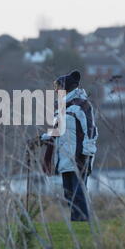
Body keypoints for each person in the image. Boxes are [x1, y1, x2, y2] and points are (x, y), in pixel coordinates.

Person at [41, 70, 98, 222]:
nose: (56, 91)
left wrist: (86, 154)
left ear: (66, 88)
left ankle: (84, 221)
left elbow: (91, 131)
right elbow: (57, 131)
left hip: (79, 156)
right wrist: (42, 138)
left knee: (79, 192)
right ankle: (76, 221)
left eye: (58, 87)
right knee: (69, 193)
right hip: (65, 157)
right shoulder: (61, 108)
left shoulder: (82, 105)